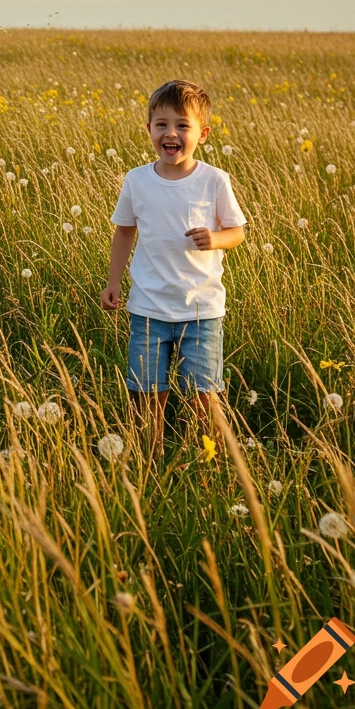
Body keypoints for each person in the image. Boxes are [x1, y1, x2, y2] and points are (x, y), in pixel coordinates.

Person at [101, 79, 246, 456]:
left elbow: (237, 232)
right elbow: (124, 232)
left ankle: (213, 462)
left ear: (203, 133)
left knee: (204, 395)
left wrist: (215, 239)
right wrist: (113, 281)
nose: (172, 133)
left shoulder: (214, 180)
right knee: (146, 392)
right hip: (148, 308)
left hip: (202, 310)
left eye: (183, 125)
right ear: (148, 129)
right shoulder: (137, 180)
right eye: (162, 124)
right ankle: (151, 459)